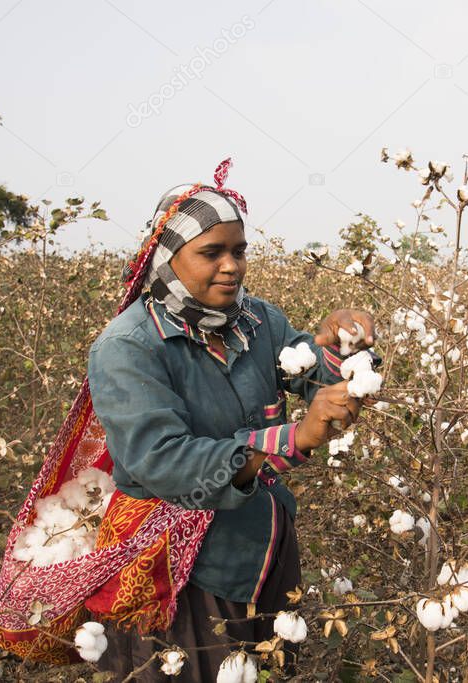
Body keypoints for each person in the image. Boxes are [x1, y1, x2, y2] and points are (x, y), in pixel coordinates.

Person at [85, 160, 376, 680]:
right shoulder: (128, 346)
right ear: (168, 259)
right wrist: (291, 438)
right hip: (181, 565)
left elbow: (309, 373)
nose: (231, 267)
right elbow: (161, 461)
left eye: (238, 251)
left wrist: (344, 351)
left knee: (268, 663)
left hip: (262, 542)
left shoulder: (257, 320)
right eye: (211, 253)